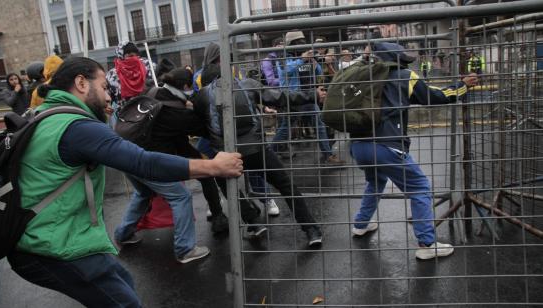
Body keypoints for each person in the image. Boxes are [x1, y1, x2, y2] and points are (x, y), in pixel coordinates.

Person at [7, 56, 243, 307]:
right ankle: (181, 249)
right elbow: (144, 162)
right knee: (125, 302)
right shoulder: (76, 127)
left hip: (47, 237)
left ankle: (124, 234)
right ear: (81, 83)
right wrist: (214, 166)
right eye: (104, 87)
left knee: (122, 280)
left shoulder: (45, 113)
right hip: (51, 246)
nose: (109, 96)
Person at [350, 43, 478, 260]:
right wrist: (462, 86)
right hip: (387, 144)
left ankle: (361, 224)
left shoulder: (363, 76)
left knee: (376, 181)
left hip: (358, 145)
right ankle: (427, 244)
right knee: (420, 187)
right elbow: (433, 97)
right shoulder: (405, 76)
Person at [194, 60, 324, 247]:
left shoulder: (202, 97)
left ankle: (254, 223)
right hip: (256, 148)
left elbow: (196, 124)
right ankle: (311, 229)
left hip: (226, 155)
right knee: (285, 185)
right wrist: (312, 95)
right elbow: (281, 96)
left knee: (229, 189)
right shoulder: (247, 84)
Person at [115, 68, 230, 243]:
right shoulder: (178, 113)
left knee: (144, 193)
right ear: (185, 86)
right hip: (149, 160)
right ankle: (187, 247)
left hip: (126, 153)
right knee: (181, 196)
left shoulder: (154, 92)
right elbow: (204, 129)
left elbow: (176, 139)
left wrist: (199, 159)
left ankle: (123, 234)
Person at [274, 31, 344, 165]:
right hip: (293, 98)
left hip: (309, 96)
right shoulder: (283, 56)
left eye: (302, 41)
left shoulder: (306, 55)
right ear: (290, 44)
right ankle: (268, 154)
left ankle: (328, 156)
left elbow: (317, 72)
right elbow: (284, 71)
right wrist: (302, 59)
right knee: (285, 129)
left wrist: (314, 62)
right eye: (297, 42)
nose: (301, 44)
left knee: (320, 127)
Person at [106, 41, 156, 124]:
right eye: (130, 56)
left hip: (151, 114)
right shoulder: (112, 76)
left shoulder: (148, 67)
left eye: (136, 55)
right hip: (127, 119)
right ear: (121, 56)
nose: (134, 58)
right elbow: (108, 97)